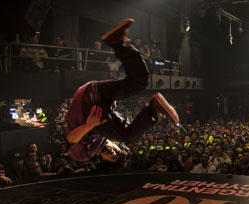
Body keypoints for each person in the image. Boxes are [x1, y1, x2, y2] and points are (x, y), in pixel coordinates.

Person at [64, 19, 179, 166]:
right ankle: (117, 43)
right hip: (97, 93)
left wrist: (89, 125)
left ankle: (153, 108)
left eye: (112, 157)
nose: (112, 153)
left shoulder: (85, 155)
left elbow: (71, 138)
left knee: (127, 135)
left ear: (103, 159)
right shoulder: (105, 135)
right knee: (140, 82)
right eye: (117, 153)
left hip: (87, 107)